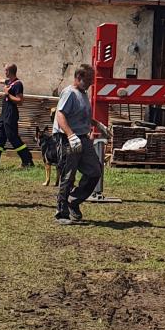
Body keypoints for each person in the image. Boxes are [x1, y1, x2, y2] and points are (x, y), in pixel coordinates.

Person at [54, 65, 107, 223]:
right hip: (68, 138)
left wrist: (97, 124)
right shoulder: (69, 93)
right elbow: (60, 114)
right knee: (68, 175)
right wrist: (70, 135)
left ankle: (73, 201)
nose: (91, 83)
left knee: (95, 171)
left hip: (83, 137)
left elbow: (80, 114)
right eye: (88, 80)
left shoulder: (83, 94)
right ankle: (61, 213)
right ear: (78, 77)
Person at [0, 64, 34, 168]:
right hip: (4, 113)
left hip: (11, 114)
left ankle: (27, 160)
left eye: (5, 70)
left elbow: (20, 101)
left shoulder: (18, 84)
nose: (4, 72)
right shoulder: (9, 82)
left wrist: (8, 94)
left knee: (12, 137)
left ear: (9, 71)